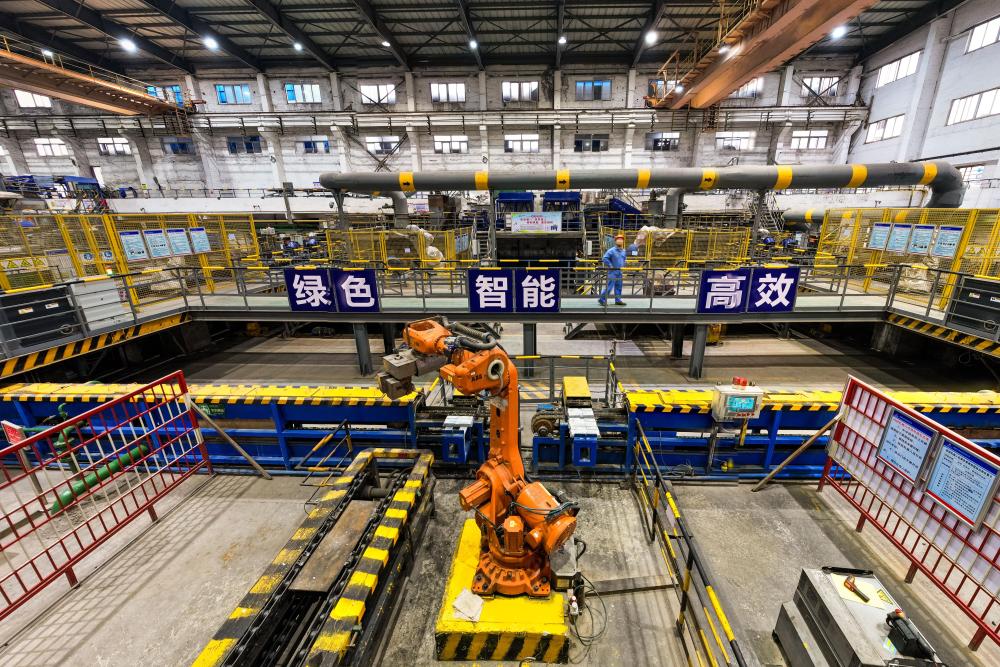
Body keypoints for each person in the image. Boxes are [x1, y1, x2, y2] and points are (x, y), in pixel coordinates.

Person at [599, 233, 639, 306]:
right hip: (612, 272)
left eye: (621, 240)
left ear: (623, 242)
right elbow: (605, 258)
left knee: (619, 286)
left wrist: (624, 266)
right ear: (615, 241)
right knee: (609, 287)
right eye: (618, 239)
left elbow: (624, 259)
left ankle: (618, 300)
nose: (620, 241)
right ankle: (602, 299)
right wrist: (610, 265)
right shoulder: (611, 250)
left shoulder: (624, 251)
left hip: (619, 272)